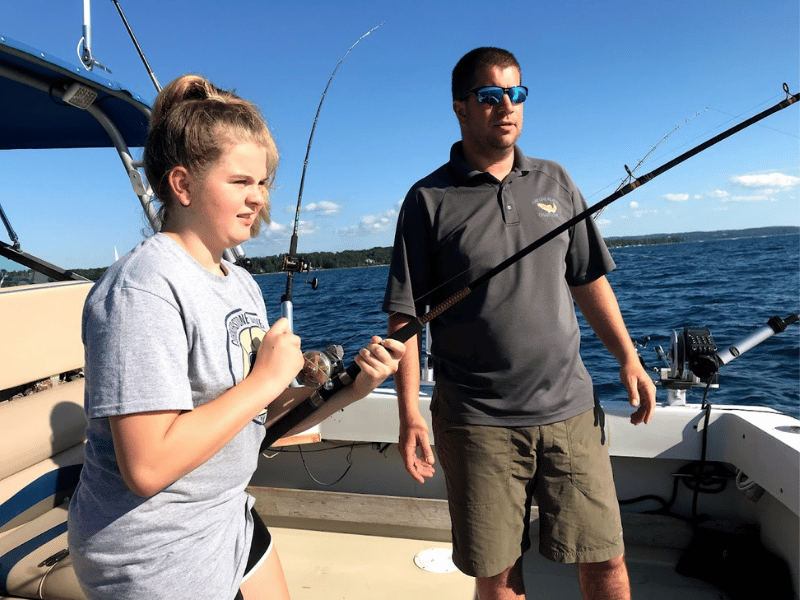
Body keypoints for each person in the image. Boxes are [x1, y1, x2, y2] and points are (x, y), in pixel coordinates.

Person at [67, 74, 404, 600]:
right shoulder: (143, 289)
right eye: (240, 182)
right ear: (182, 185)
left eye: (264, 182)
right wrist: (266, 378)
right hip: (152, 550)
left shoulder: (240, 282)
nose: (258, 199)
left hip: (225, 515)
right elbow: (147, 466)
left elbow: (257, 421)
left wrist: (350, 390)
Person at [383, 47, 656, 600]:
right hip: (477, 421)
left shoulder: (555, 181)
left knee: (606, 560)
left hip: (572, 410)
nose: (506, 107)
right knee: (500, 576)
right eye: (490, 96)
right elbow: (405, 319)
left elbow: (586, 279)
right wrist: (409, 412)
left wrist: (628, 356)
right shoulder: (427, 199)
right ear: (461, 107)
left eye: (517, 94)